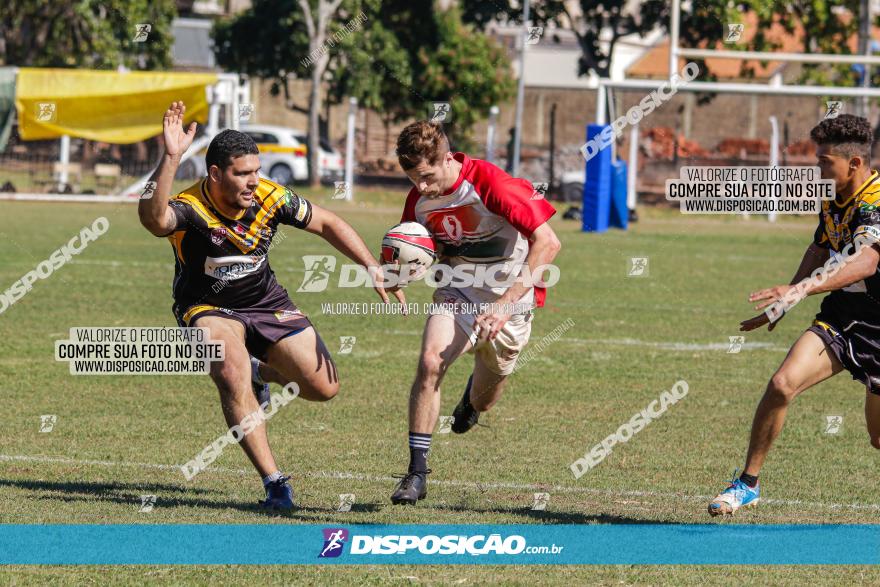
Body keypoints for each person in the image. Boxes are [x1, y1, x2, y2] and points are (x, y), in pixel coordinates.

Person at [138, 102, 402, 510]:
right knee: (229, 369)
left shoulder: (271, 197)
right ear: (215, 174)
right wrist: (171, 156)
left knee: (323, 388)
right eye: (243, 173)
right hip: (206, 307)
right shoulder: (191, 208)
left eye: (256, 171)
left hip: (265, 301)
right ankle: (275, 483)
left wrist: (370, 265)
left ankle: (261, 372)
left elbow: (328, 222)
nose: (253, 181)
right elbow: (154, 220)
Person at [709, 114, 880, 516]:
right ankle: (747, 484)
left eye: (824, 161)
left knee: (878, 439)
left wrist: (802, 288)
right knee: (783, 384)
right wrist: (788, 296)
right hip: (843, 316)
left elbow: (866, 263)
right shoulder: (833, 196)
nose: (816, 168)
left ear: (854, 164)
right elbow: (820, 248)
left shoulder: (876, 200)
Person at [388, 120, 561, 505]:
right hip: (458, 293)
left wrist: (506, 303)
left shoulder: (492, 185)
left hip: (510, 304)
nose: (421, 188)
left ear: (447, 158)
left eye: (428, 177)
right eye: (413, 178)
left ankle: (471, 400)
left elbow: (548, 242)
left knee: (485, 398)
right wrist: (394, 274)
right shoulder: (419, 198)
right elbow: (412, 244)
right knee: (431, 362)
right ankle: (416, 473)